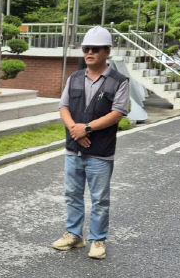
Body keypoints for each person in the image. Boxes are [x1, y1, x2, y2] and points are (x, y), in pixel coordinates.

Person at [52, 26, 129, 260]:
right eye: (86, 48)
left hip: (100, 153)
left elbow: (117, 113)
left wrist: (85, 128)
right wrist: (75, 131)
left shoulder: (119, 81)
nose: (90, 52)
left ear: (107, 51)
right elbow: (63, 107)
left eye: (96, 49)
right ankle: (74, 235)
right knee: (72, 194)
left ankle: (98, 240)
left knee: (100, 199)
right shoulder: (74, 77)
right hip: (73, 150)